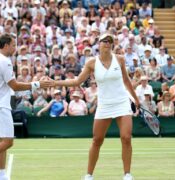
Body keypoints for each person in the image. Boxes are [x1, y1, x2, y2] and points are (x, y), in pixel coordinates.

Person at [0, 34, 53, 180]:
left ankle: (1, 175)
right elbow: (15, 86)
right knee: (8, 141)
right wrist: (37, 84)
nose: (15, 48)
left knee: (2, 141)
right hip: (0, 106)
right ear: (5, 45)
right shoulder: (5, 62)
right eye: (13, 45)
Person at [54, 33, 139, 180]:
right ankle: (89, 175)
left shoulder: (120, 59)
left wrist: (136, 99)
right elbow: (76, 82)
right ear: (98, 44)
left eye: (110, 41)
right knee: (97, 140)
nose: (107, 43)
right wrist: (56, 83)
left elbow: (126, 81)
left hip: (122, 102)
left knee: (126, 138)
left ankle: (127, 174)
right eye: (104, 41)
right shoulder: (91, 63)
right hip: (104, 104)